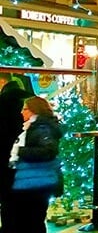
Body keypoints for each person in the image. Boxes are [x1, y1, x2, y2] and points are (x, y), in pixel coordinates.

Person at [3, 96, 63, 233]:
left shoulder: (42, 128)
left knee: (32, 220)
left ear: (34, 110)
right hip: (32, 180)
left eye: (25, 109)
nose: (22, 112)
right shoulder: (33, 126)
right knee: (31, 220)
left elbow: (48, 151)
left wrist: (20, 151)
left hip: (36, 181)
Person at [0, 76, 31, 228]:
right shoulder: (17, 111)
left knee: (8, 205)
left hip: (8, 165)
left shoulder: (4, 107)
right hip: (17, 165)